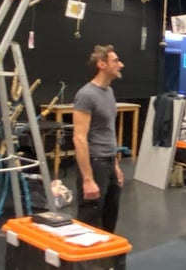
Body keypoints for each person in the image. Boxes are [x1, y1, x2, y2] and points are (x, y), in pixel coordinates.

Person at [73, 44, 125, 234]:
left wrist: (115, 164)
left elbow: (108, 131)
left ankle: (106, 253)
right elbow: (79, 138)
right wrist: (88, 179)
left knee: (109, 219)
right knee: (89, 221)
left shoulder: (109, 92)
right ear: (102, 64)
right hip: (95, 164)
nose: (121, 65)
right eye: (115, 61)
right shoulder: (86, 95)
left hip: (109, 162)